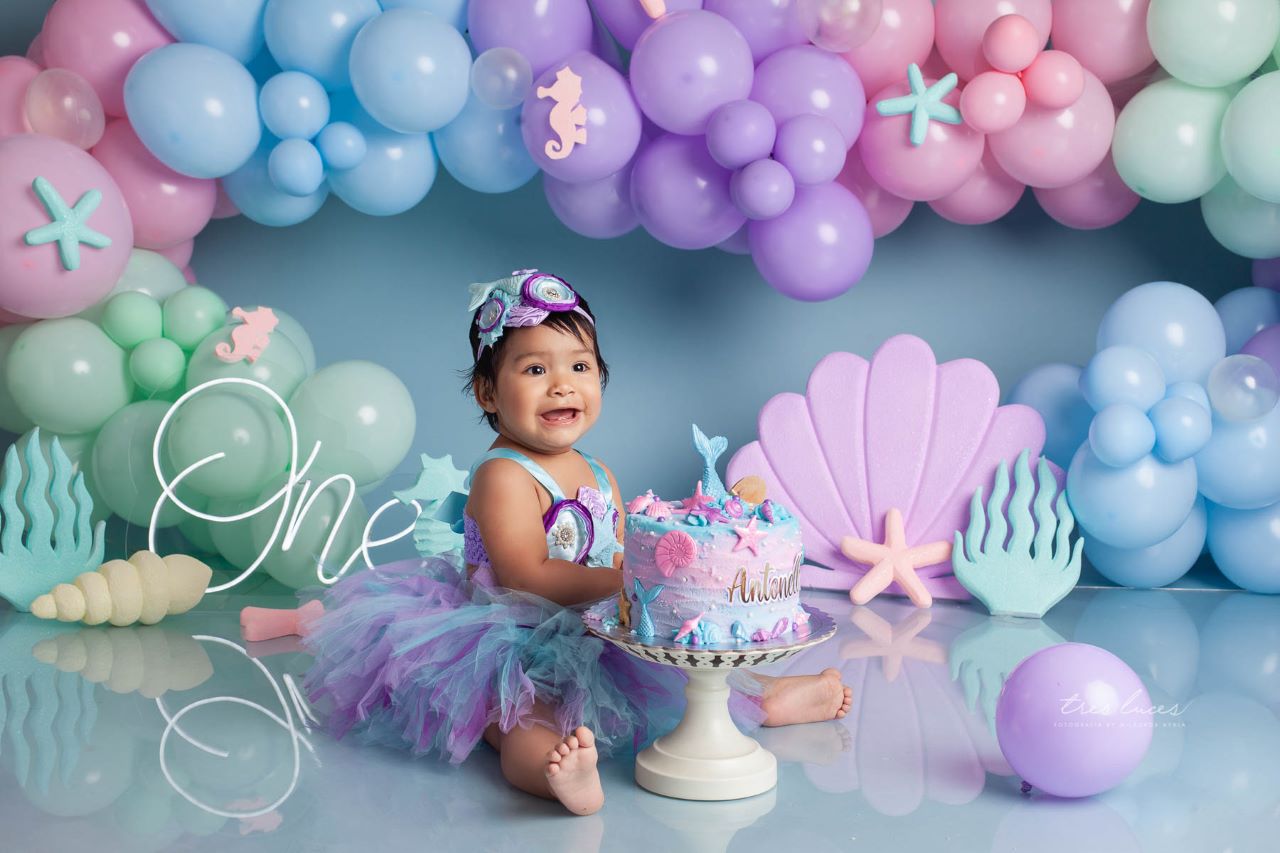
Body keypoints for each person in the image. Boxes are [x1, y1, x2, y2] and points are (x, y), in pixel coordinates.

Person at [296, 270, 852, 815]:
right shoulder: (504, 476)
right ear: (489, 392)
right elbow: (525, 577)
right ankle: (553, 773)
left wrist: (635, 591)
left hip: (596, 626)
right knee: (520, 718)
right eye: (535, 368)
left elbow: (612, 552)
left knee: (697, 677)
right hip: (506, 640)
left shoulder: (597, 471)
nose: (562, 384)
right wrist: (630, 583)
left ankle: (777, 700)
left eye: (580, 367)